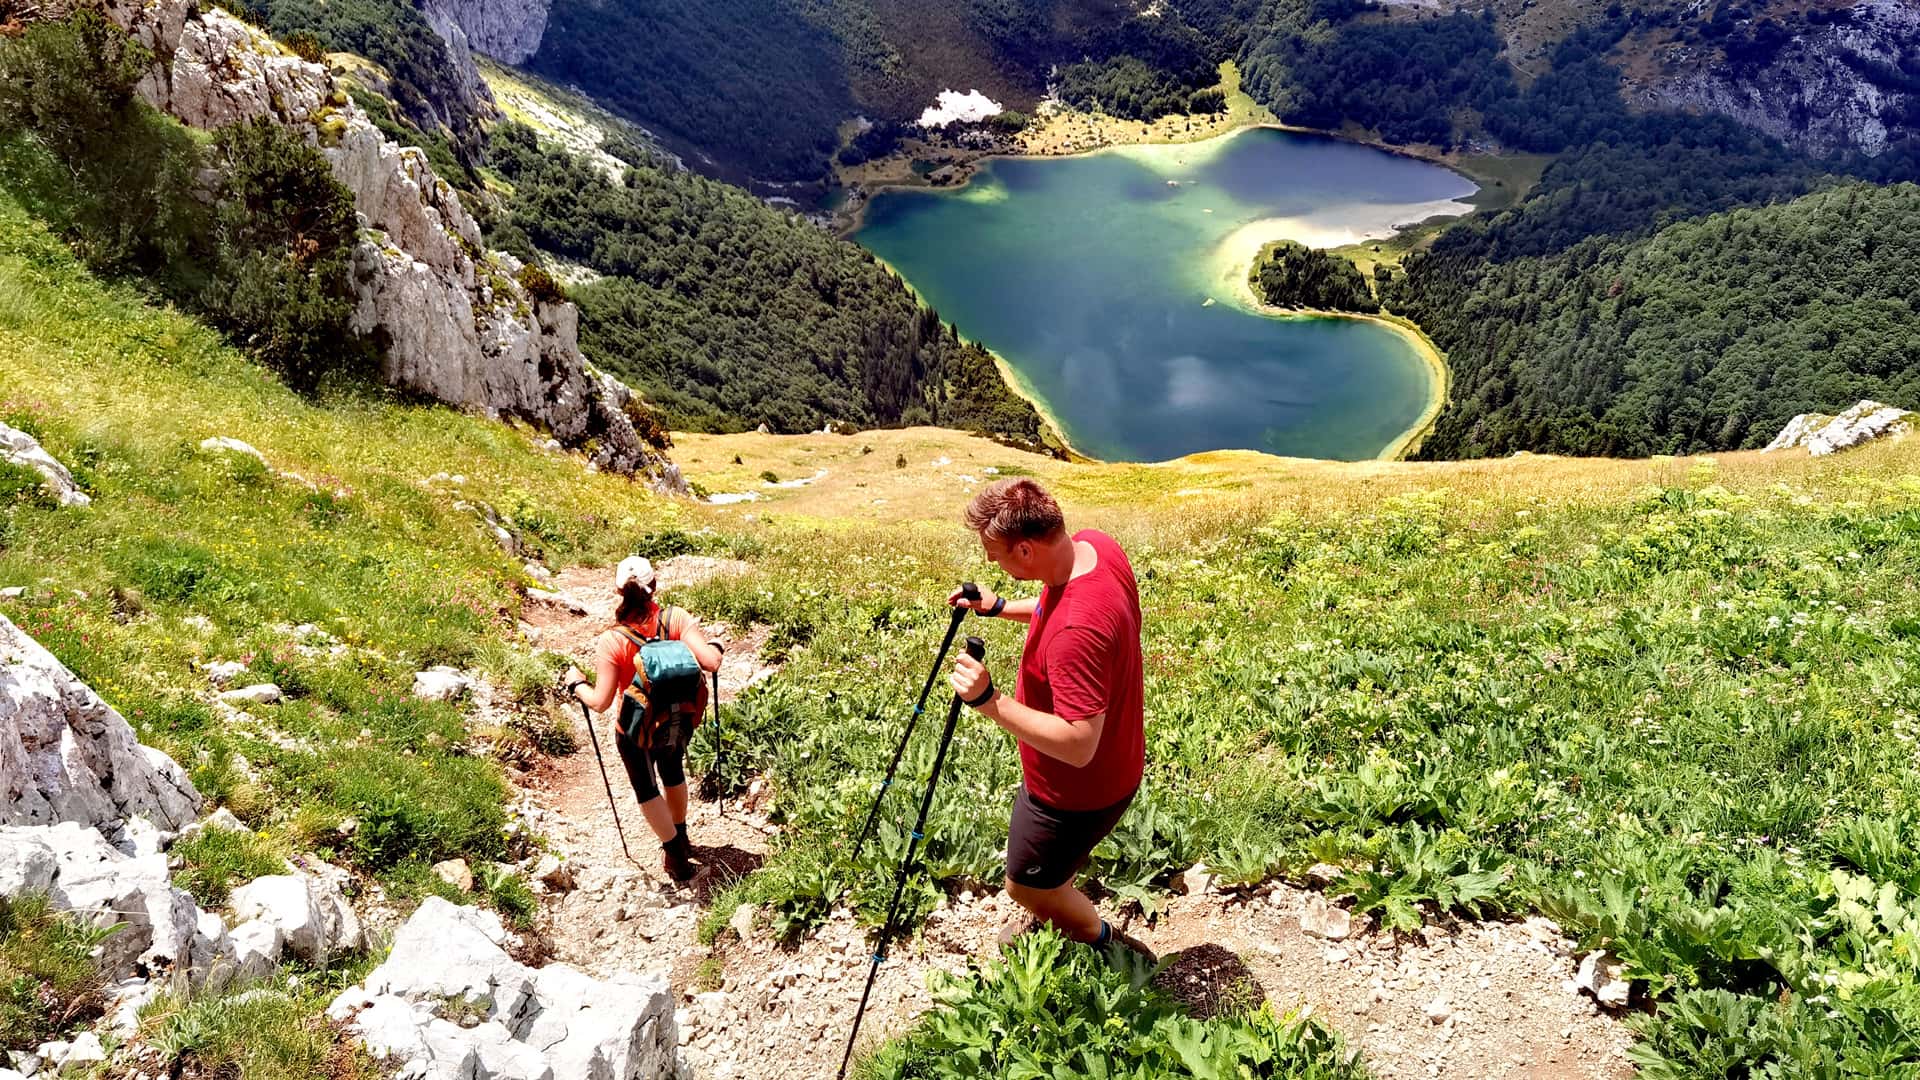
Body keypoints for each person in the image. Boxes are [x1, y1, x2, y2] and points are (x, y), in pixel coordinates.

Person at [947, 478, 1147, 954]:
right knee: (1050, 870)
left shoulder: (1075, 631)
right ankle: (1065, 885)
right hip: (1117, 761)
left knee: (1025, 886)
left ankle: (1097, 938)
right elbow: (1052, 605)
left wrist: (989, 700)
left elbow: (1079, 745)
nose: (992, 562)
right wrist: (997, 607)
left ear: (1026, 551)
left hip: (1075, 792)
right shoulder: (1094, 548)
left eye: (997, 556)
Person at [564, 556, 722, 882]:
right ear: (656, 585)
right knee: (673, 771)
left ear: (618, 590)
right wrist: (716, 645)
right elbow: (711, 662)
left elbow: (601, 702)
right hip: (677, 719)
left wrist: (577, 684)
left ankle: (675, 855)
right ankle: (682, 834)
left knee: (647, 789)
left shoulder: (613, 640)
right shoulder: (675, 618)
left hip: (636, 729)